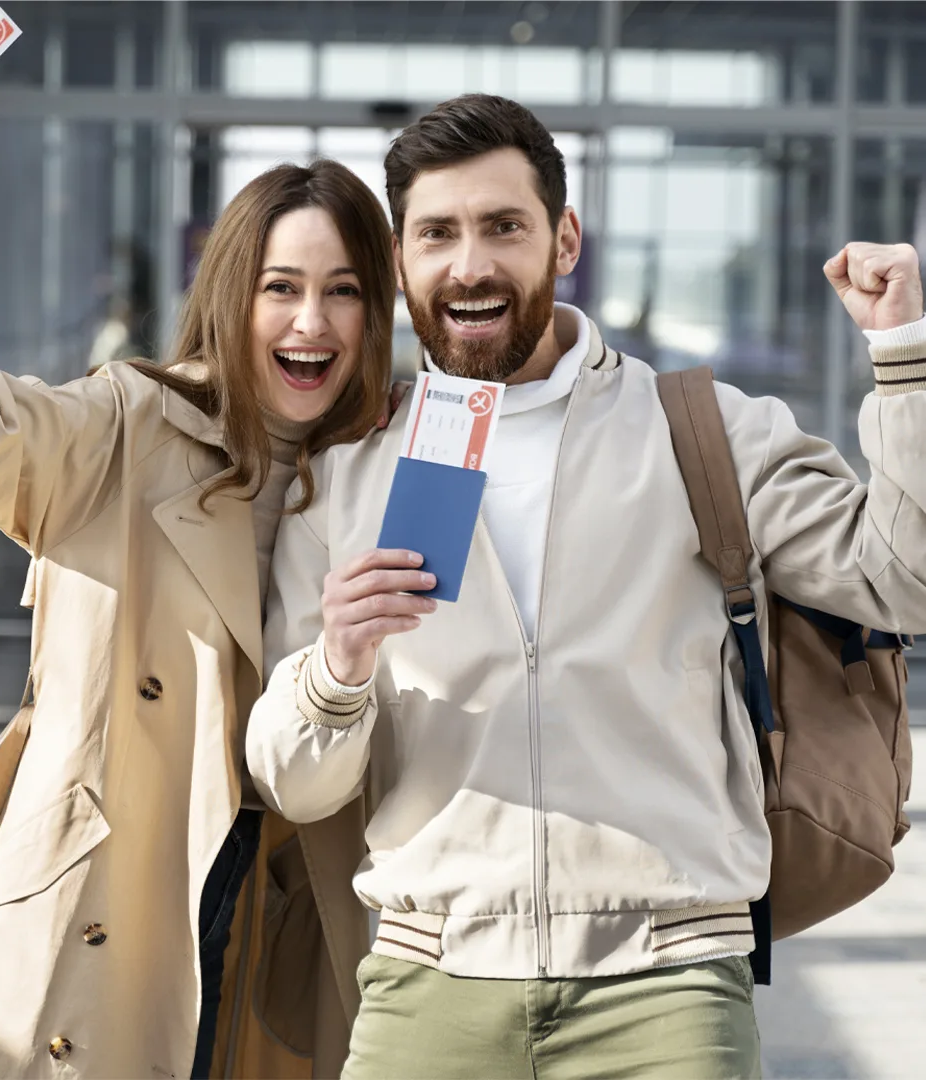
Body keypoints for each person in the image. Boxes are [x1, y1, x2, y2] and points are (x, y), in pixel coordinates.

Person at [246, 93, 926, 1079]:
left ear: (564, 239)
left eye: (503, 227)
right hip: (428, 982)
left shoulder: (705, 432)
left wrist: (904, 355)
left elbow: (904, 581)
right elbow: (294, 782)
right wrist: (338, 666)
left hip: (668, 986)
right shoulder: (345, 477)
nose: (469, 265)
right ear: (398, 259)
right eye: (437, 234)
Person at [0, 88, 395, 1078]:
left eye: (345, 290)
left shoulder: (390, 468)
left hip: (282, 909)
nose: (310, 322)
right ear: (232, 295)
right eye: (280, 287)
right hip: (105, 895)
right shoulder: (126, 425)